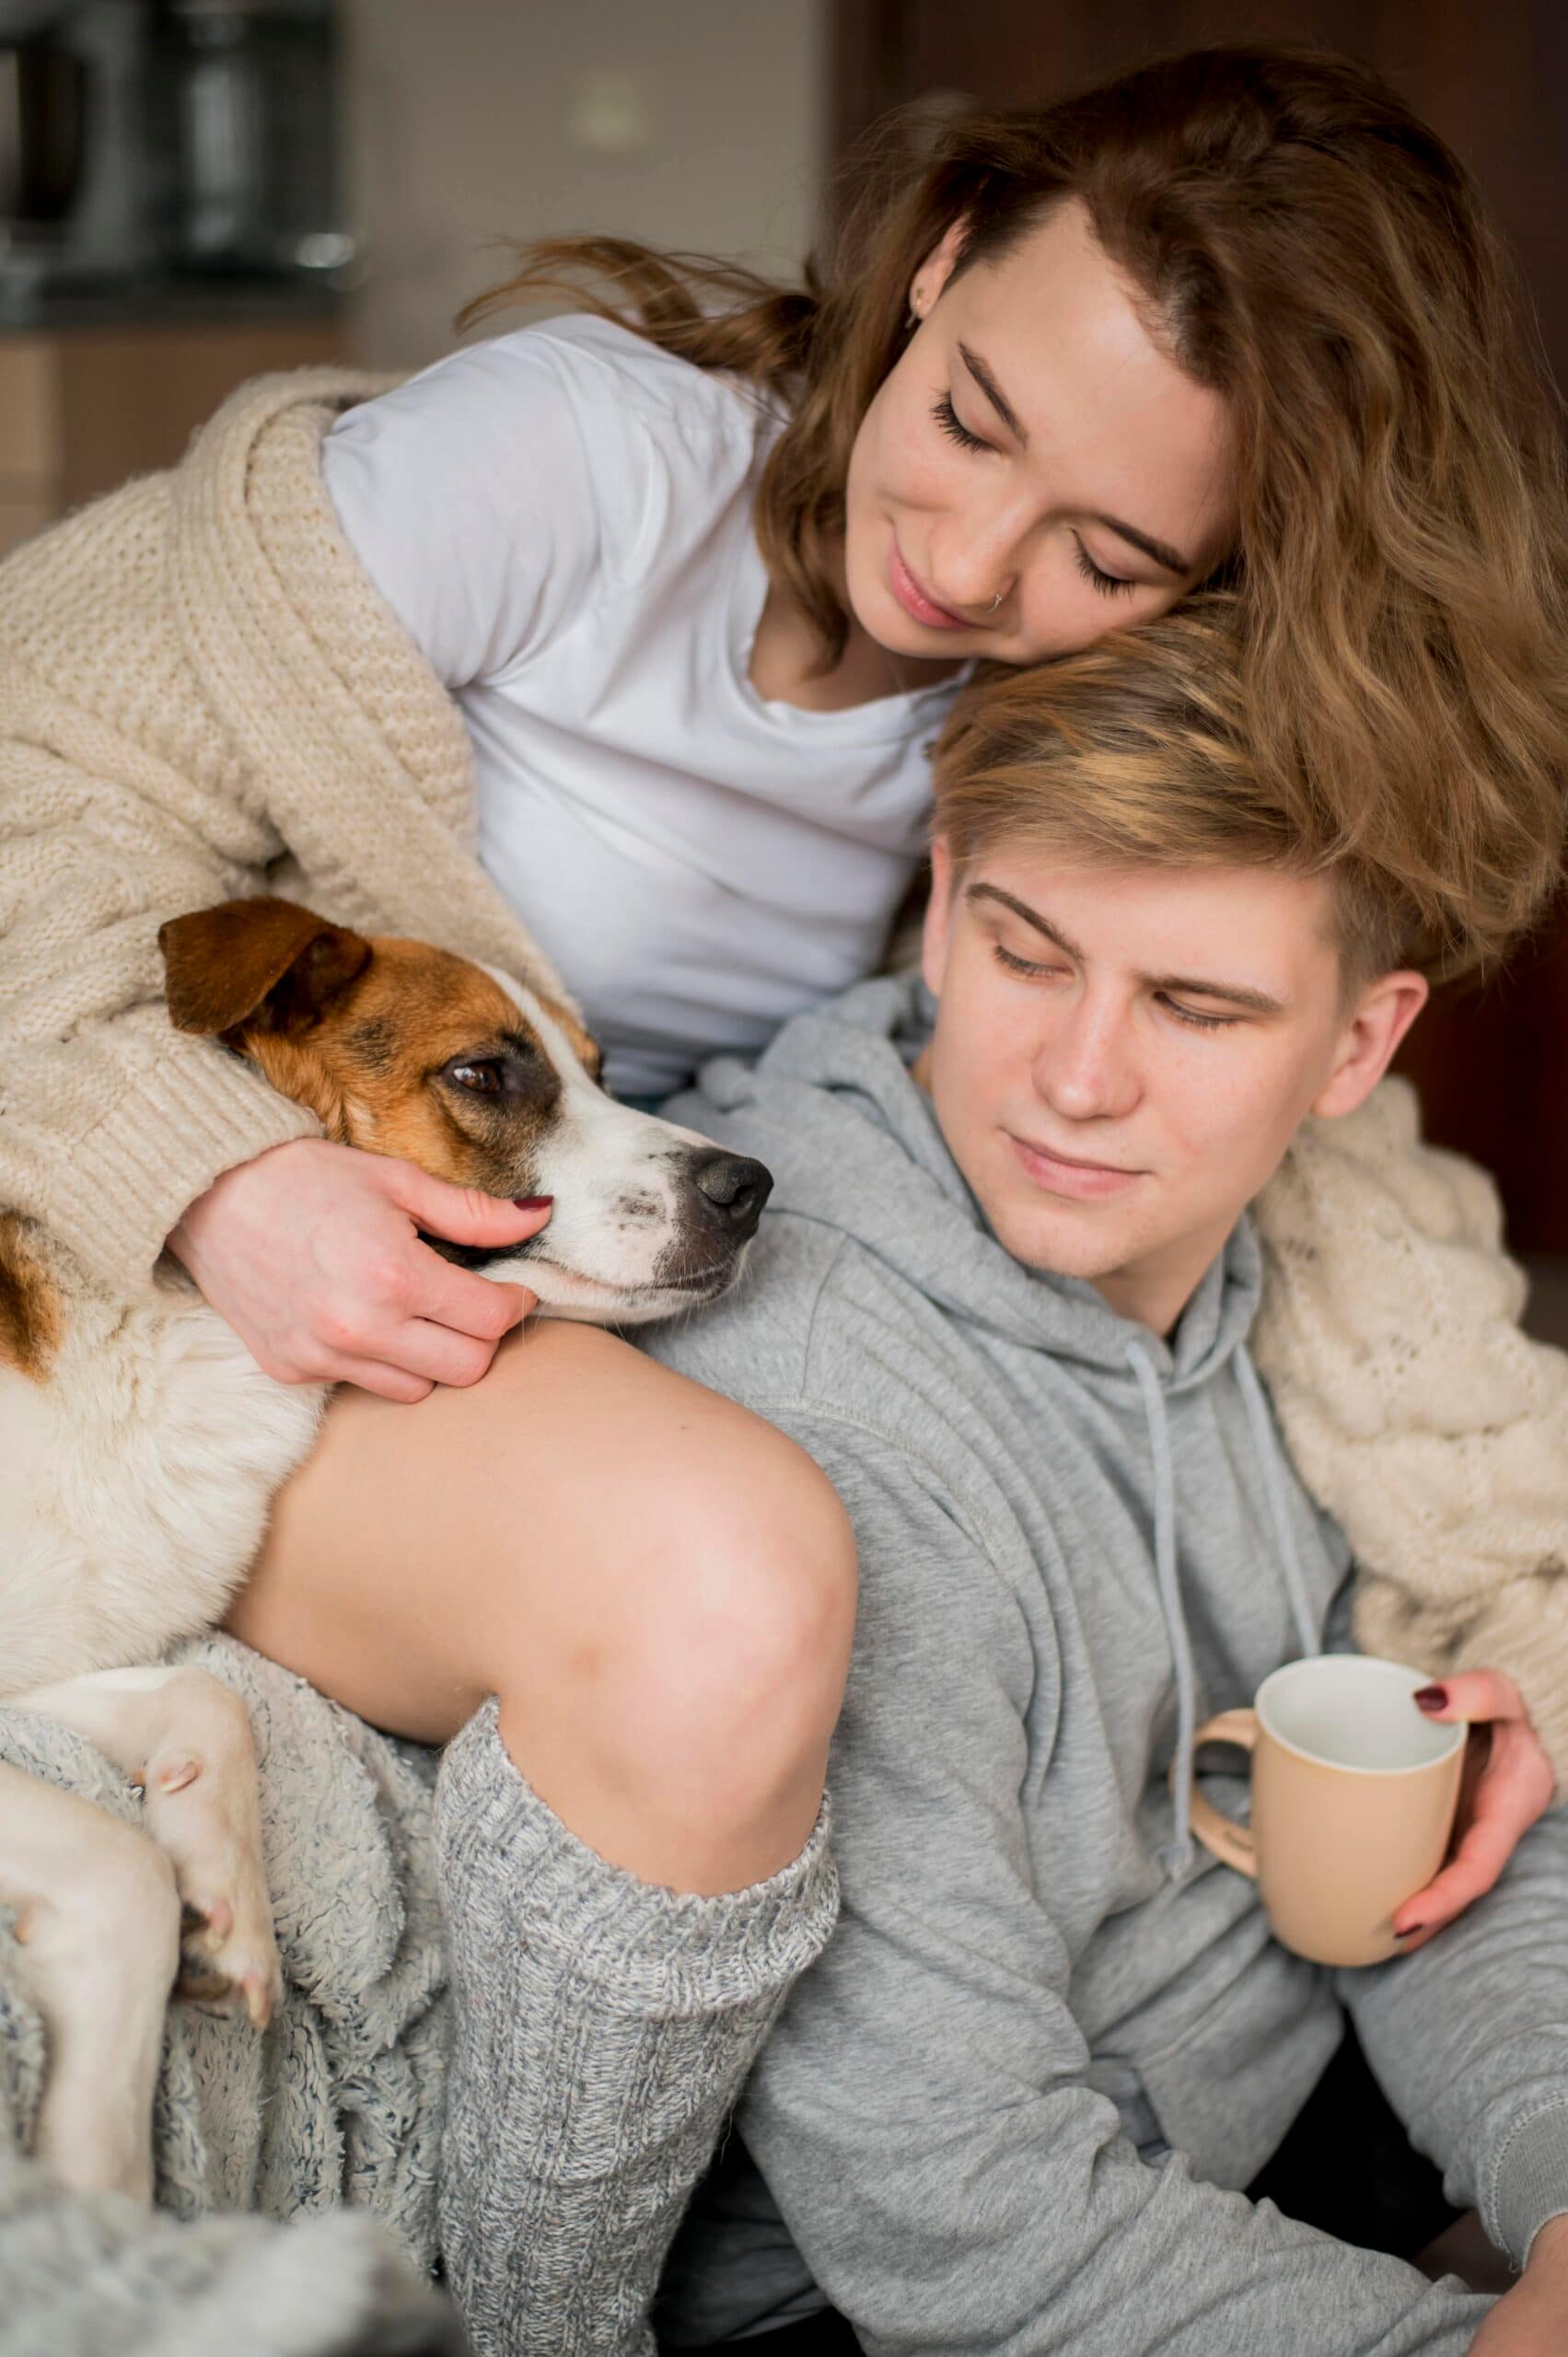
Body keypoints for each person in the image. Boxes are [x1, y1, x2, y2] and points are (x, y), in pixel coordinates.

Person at [0, 42, 1562, 2352]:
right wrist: (210, 1174)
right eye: (971, 412)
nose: (968, 556)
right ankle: (546, 2315)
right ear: (929, 266)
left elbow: (1319, 1128)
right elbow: (24, 777)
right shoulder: (576, 467)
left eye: (1109, 551)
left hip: (570, 1241)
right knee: (729, 1572)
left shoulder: (1064, 733)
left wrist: (1518, 1601)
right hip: (182, 1237)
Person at [639, 598, 1568, 2356]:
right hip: (909, 2298)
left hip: (1284, 2108)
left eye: (1197, 1008)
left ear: (1358, 1052)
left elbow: (1431, 1836)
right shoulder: (812, 1416)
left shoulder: (1326, 1287)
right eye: (1027, 953)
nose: (1074, 1082)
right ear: (941, 888)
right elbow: (959, 2224)